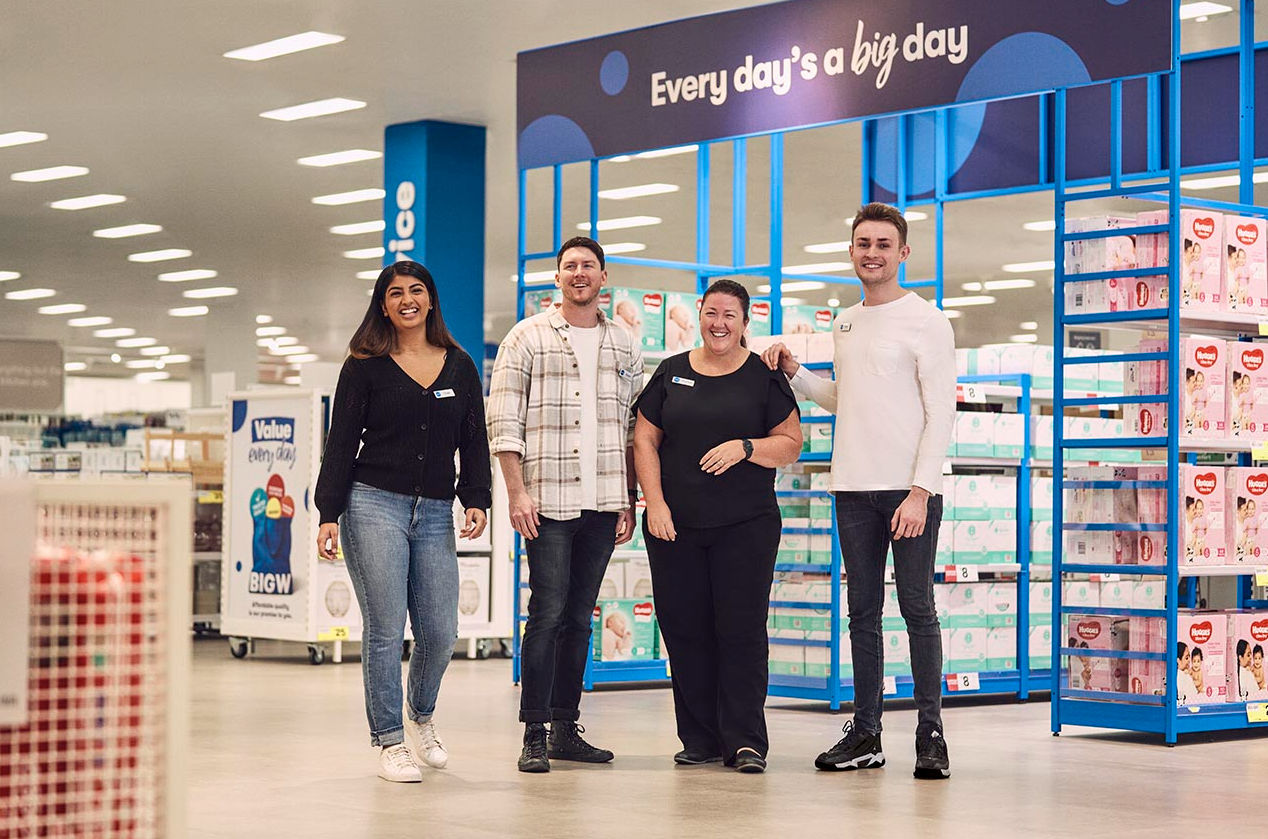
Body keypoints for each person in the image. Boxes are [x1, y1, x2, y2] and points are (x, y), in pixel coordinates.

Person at [762, 202, 956, 780]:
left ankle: (931, 733)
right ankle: (867, 733)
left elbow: (940, 412)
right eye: (862, 244)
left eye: (882, 244)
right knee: (862, 615)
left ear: (903, 253)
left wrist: (920, 492)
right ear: (852, 251)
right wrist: (796, 371)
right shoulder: (845, 322)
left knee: (917, 608)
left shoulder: (928, 320)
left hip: (907, 490)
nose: (871, 253)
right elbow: (845, 400)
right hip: (852, 489)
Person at [313, 260, 491, 783]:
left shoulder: (459, 365)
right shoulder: (364, 365)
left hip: (435, 510)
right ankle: (389, 740)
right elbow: (340, 442)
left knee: (441, 630)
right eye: (395, 293)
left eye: (416, 290)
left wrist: (475, 495)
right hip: (372, 505)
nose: (407, 299)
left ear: (431, 300)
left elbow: (473, 440)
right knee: (386, 629)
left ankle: (421, 715)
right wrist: (329, 512)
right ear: (383, 304)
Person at [633, 279, 802, 774]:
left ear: (746, 323)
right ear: (699, 314)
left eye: (730, 315)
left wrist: (746, 447)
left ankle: (746, 741)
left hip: (745, 526)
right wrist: (655, 505)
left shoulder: (762, 376)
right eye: (711, 313)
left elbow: (791, 444)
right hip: (674, 526)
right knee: (684, 629)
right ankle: (700, 738)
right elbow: (644, 439)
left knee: (741, 631)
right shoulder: (671, 372)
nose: (719, 323)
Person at [488, 236, 642, 773]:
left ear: (604, 278)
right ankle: (533, 729)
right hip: (547, 500)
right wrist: (516, 492)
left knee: (580, 617)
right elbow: (503, 422)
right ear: (557, 278)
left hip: (603, 500)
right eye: (570, 266)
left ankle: (565, 726)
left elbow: (631, 428)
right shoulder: (526, 337)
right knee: (547, 613)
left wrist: (628, 496)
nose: (580, 274)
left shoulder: (624, 342)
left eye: (589, 267)